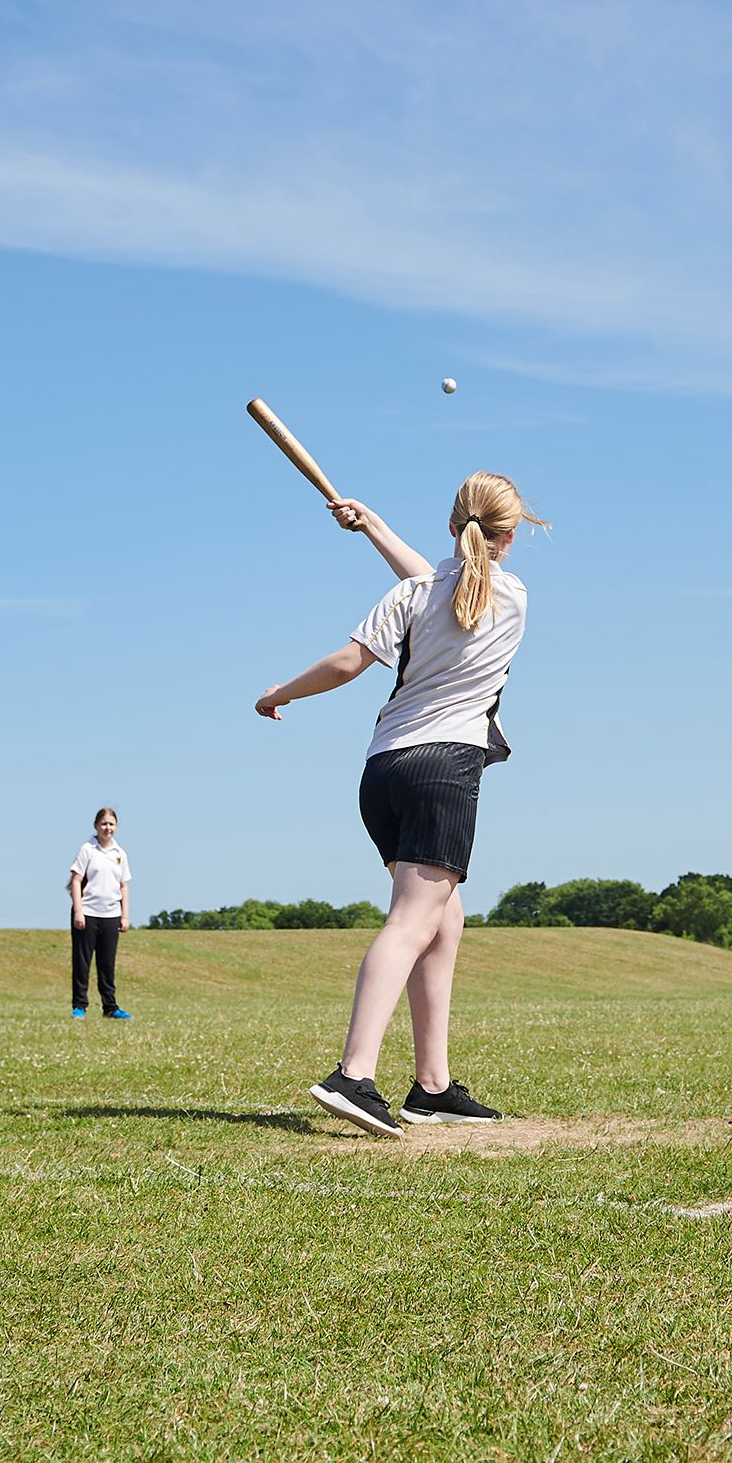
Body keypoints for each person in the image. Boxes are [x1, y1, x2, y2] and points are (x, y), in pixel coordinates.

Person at [255, 471, 543, 1136]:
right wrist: (377, 530)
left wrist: (279, 695)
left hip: (384, 771)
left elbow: (348, 662)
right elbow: (454, 584)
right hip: (445, 768)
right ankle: (353, 1076)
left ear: (451, 527)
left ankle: (431, 1088)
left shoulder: (410, 594)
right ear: (508, 536)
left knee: (444, 923)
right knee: (413, 924)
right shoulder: (514, 596)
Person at [68, 807, 133, 1019]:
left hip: (111, 914)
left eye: (111, 824)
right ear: (96, 826)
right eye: (104, 824)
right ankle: (79, 1006)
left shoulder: (120, 854)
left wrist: (124, 915)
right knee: (82, 961)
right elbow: (76, 881)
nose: (108, 828)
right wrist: (79, 910)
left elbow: (123, 886)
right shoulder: (87, 849)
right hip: (87, 913)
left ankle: (110, 1007)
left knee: (107, 963)